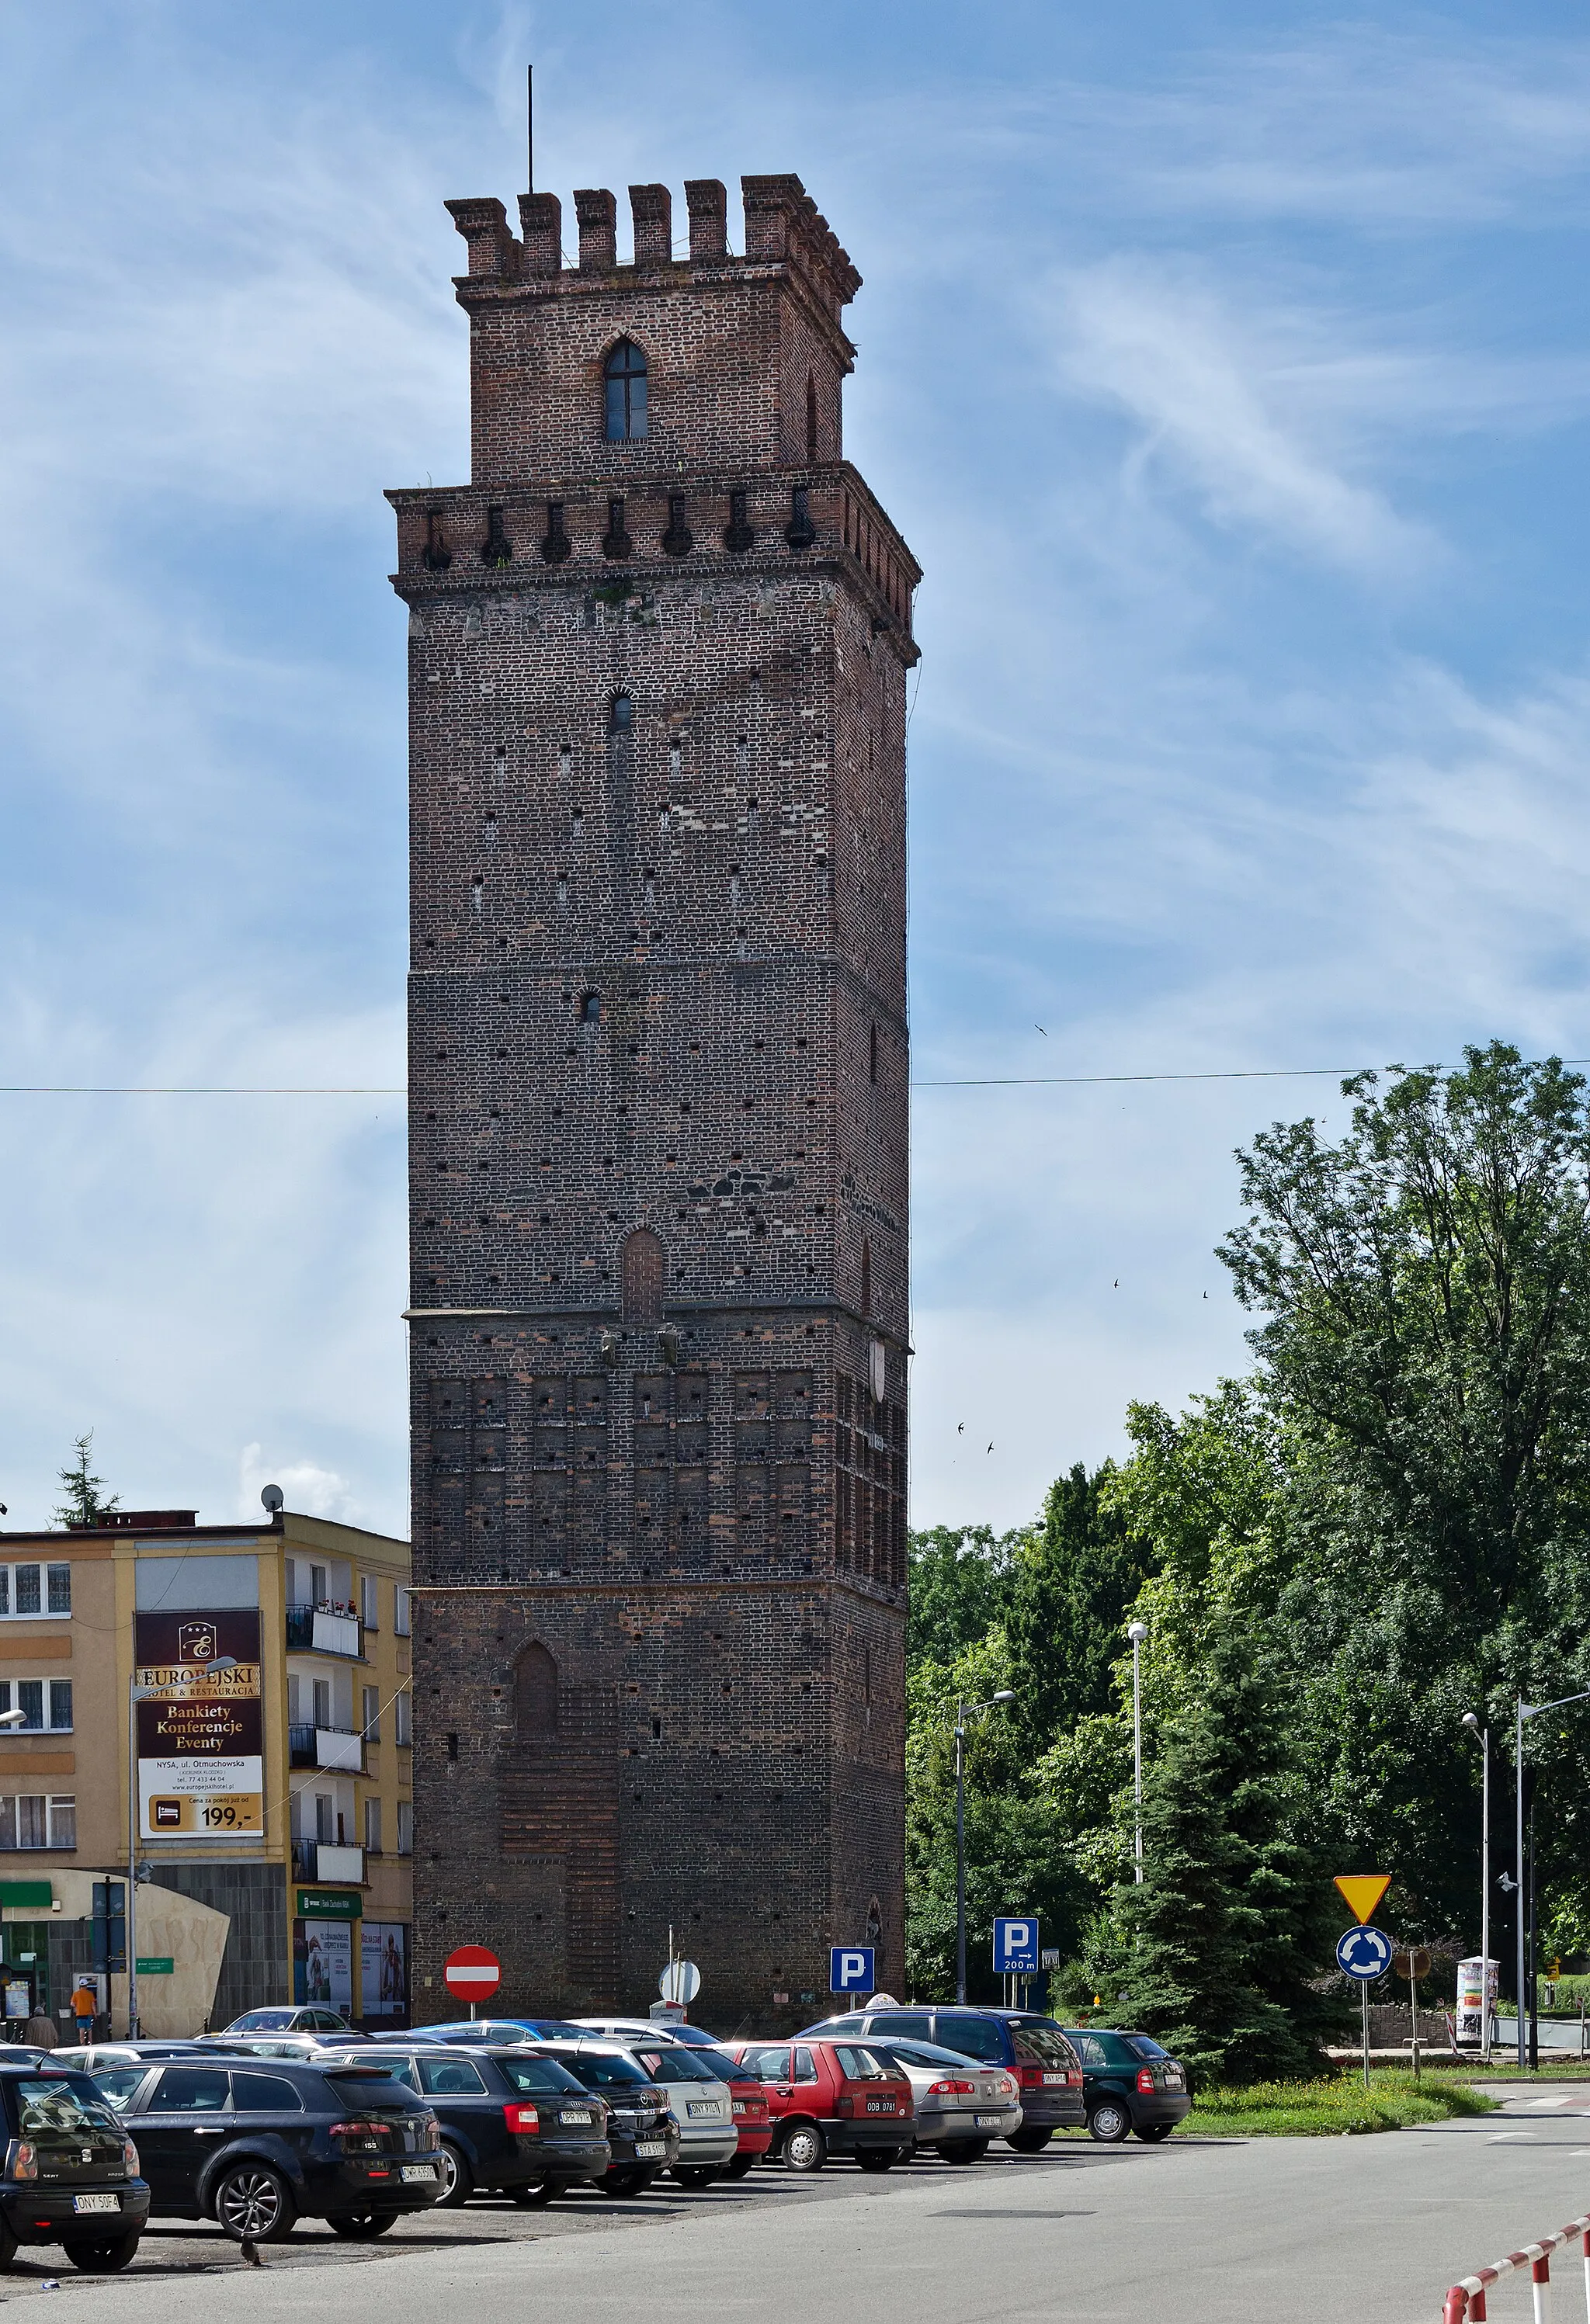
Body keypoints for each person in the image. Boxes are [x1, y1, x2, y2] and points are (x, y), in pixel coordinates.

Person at [70, 1980, 98, 2045]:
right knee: (89, 2030)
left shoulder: (76, 1994)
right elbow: (93, 2005)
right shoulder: (90, 1993)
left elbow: (72, 2004)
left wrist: (78, 2006)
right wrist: (95, 2014)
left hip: (80, 2014)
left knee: (81, 2031)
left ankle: (82, 2044)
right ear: (86, 1986)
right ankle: (90, 2043)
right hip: (88, 2014)